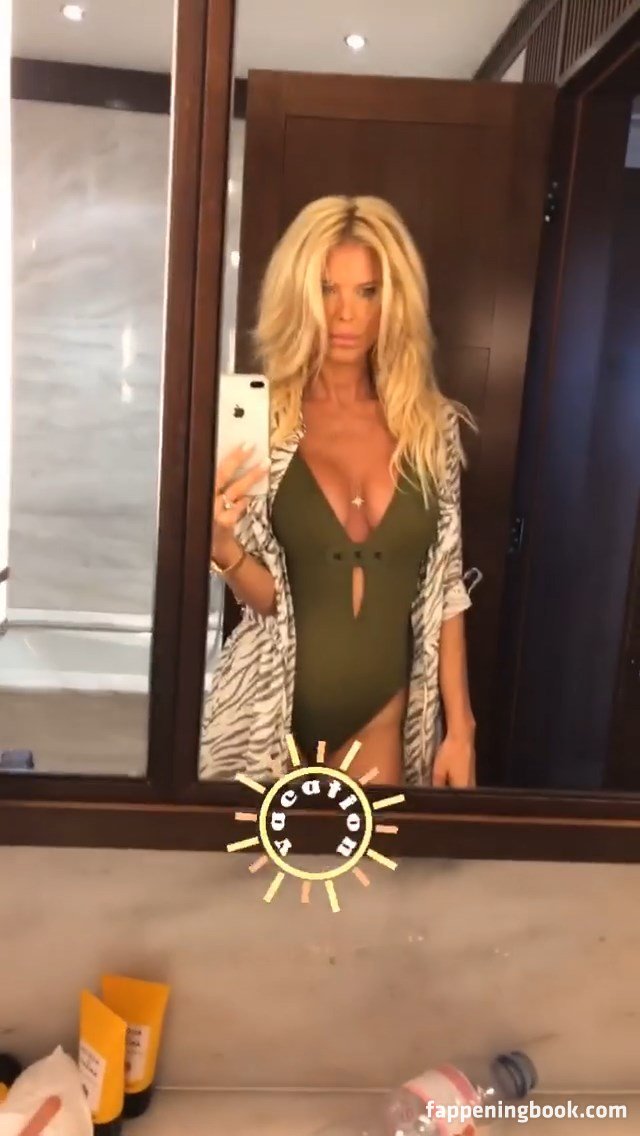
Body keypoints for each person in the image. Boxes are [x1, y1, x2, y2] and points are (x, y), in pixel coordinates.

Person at [200, 195, 476, 787]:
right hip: (265, 718)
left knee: (374, 849)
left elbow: (446, 588)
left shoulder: (430, 429)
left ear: (393, 300)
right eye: (327, 289)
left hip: (380, 721)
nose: (346, 313)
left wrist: (461, 729)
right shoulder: (268, 425)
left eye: (367, 291)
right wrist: (222, 545)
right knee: (251, 851)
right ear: (301, 296)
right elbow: (270, 601)